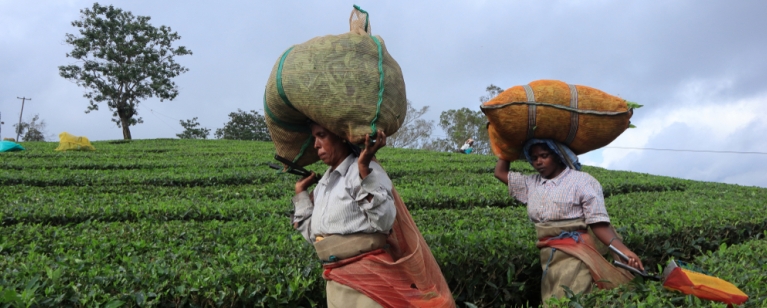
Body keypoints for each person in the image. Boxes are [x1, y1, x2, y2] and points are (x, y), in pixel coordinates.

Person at [292, 123, 455, 308]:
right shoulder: (323, 184)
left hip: (369, 279)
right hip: (335, 281)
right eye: (314, 138)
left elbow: (384, 221)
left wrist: (363, 170)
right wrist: (301, 193)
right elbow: (314, 237)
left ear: (342, 137)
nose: (316, 145)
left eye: (321, 135)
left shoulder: (366, 171)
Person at [493, 138, 644, 304]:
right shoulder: (532, 183)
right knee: (553, 299)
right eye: (534, 158)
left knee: (573, 297)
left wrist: (623, 250)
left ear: (558, 155)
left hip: (577, 252)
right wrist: (506, 147)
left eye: (544, 155)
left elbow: (598, 223)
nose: (538, 162)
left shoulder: (582, 181)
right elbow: (500, 173)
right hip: (548, 255)